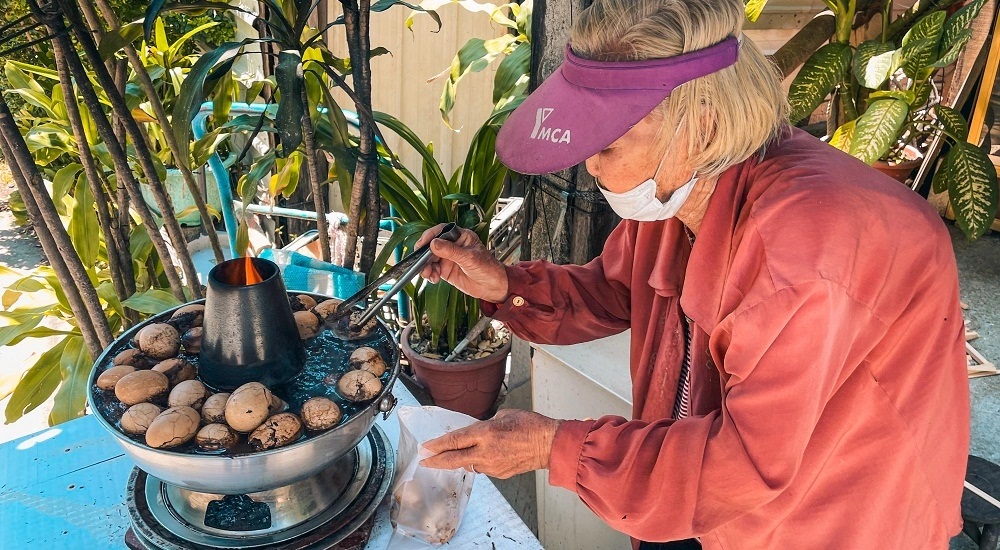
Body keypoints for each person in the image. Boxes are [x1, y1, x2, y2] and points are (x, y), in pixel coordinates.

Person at [414, 0, 970, 547]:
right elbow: (616, 289)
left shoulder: (800, 256)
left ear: (700, 127)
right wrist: (506, 285)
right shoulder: (684, 187)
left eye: (607, 144)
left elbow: (743, 462)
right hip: (720, 484)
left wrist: (552, 448)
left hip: (834, 511)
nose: (590, 165)